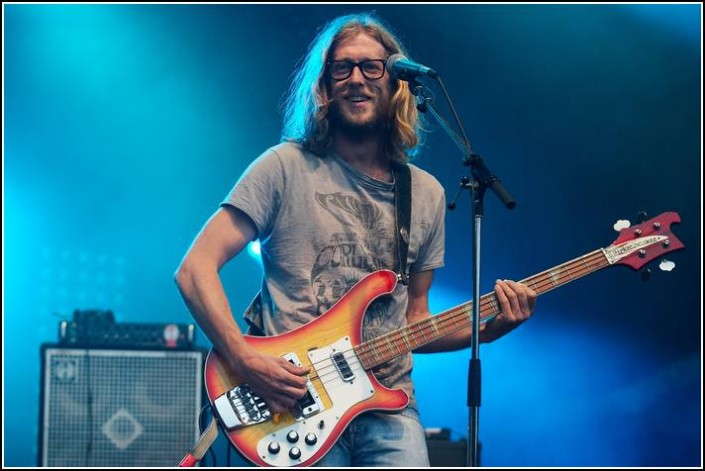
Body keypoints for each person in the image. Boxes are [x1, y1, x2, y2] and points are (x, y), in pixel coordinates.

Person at [175, 12, 537, 467]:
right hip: (291, 403)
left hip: (389, 408)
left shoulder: (425, 194)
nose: (356, 79)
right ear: (324, 86)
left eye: (372, 67)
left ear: (397, 83)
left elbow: (415, 322)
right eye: (341, 68)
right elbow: (194, 270)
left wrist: (490, 330)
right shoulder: (282, 167)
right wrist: (244, 359)